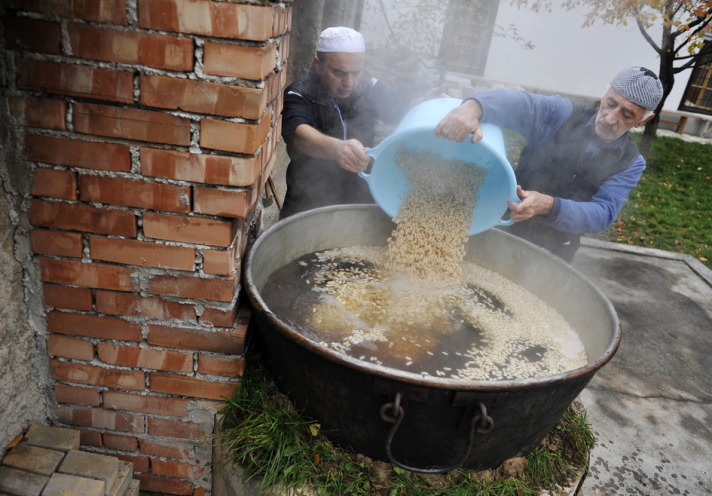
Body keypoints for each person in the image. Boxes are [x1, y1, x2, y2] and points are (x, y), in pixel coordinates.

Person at [434, 66, 663, 262]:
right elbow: (521, 103)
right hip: (500, 225)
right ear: (604, 95)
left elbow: (603, 212)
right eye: (610, 104)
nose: (611, 118)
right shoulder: (563, 113)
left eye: (627, 115)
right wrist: (473, 107)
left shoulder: (631, 163)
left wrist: (549, 205)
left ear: (643, 120)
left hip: (553, 249)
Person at [279, 26, 445, 219]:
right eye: (339, 73)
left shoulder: (369, 86)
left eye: (356, 73)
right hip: (306, 204)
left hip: (360, 202)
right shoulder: (299, 92)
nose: (349, 82)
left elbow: (396, 103)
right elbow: (299, 134)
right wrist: (337, 149)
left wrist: (423, 102)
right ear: (318, 64)